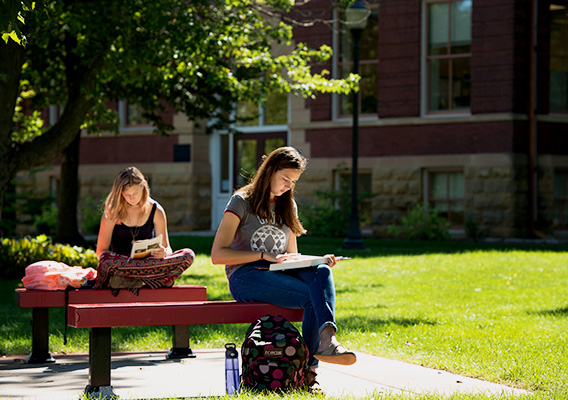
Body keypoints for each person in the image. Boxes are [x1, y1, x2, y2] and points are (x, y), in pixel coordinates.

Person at [211, 146, 356, 372]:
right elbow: (218, 255)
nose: (289, 186)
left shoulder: (288, 204)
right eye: (286, 178)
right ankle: (309, 371)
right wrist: (262, 255)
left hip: (278, 272)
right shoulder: (241, 202)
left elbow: (291, 257)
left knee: (323, 272)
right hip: (245, 276)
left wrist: (318, 260)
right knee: (312, 296)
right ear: (269, 170)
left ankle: (328, 340)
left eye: (294, 181)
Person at [95, 166, 194, 293]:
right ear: (120, 194)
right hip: (123, 266)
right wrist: (123, 261)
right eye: (127, 195)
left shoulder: (156, 210)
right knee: (105, 259)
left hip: (148, 264)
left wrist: (163, 252)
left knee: (188, 254)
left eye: (135, 193)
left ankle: (134, 281)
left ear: (143, 187)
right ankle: (157, 280)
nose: (132, 198)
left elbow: (167, 248)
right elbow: (101, 252)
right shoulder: (112, 212)